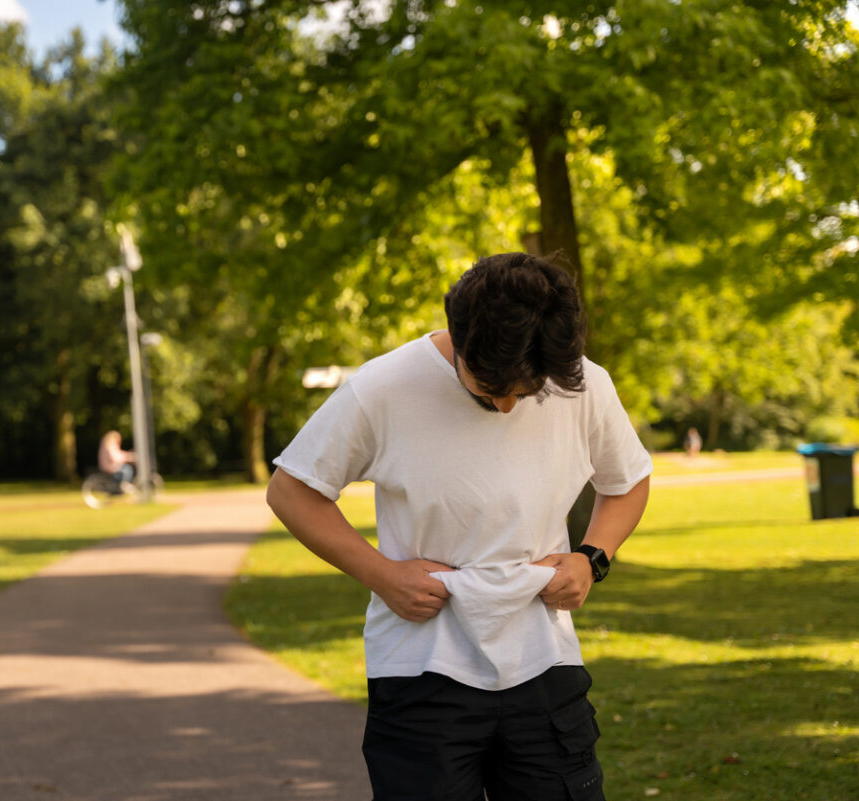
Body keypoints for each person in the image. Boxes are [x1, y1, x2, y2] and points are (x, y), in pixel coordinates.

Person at [266, 253, 652, 801]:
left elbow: (628, 480)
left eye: (524, 390)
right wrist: (382, 575)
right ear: (458, 335)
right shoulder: (384, 386)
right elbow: (291, 490)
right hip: (420, 671)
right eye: (490, 387)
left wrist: (593, 557)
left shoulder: (581, 381)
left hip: (544, 662)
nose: (506, 404)